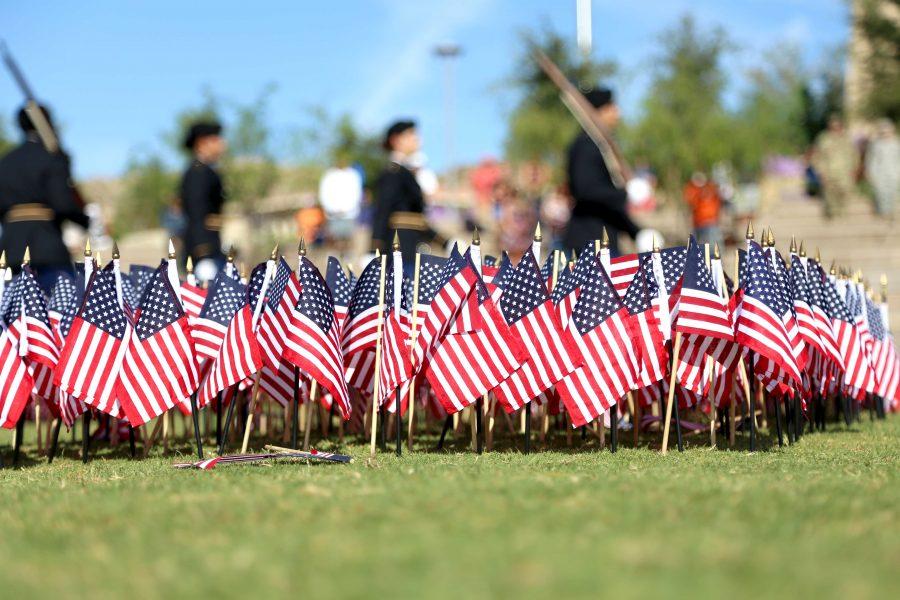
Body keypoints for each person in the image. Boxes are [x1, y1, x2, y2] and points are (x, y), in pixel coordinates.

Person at [0, 104, 88, 291]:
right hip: (48, 249)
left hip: (11, 251)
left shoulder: (5, 162)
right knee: (59, 314)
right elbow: (63, 204)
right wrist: (83, 219)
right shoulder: (51, 158)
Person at [563, 87, 639, 256]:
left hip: (604, 240)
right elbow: (586, 190)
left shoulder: (600, 146)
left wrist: (637, 233)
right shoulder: (585, 146)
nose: (617, 113)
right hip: (589, 244)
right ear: (599, 111)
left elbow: (607, 207)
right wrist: (625, 193)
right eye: (611, 108)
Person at [371, 120, 444, 263]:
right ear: (396, 140)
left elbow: (417, 220)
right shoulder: (393, 172)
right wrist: (374, 248)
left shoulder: (406, 172)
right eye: (411, 134)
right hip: (398, 248)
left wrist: (445, 242)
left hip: (412, 244)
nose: (417, 139)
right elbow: (382, 211)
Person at [180, 121, 227, 279]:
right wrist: (203, 251)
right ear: (202, 143)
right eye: (215, 139)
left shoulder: (207, 171)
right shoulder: (198, 173)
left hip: (213, 246)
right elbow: (197, 212)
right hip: (204, 251)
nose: (221, 144)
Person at [811, 115, 858, 219]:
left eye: (838, 125)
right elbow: (817, 156)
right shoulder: (823, 138)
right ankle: (833, 215)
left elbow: (854, 154)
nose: (835, 127)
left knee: (845, 192)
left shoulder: (847, 138)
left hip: (845, 172)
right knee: (830, 195)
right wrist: (820, 171)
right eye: (833, 125)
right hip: (828, 171)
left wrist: (855, 168)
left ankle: (843, 214)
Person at [865, 119, 899, 218]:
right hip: (879, 173)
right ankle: (884, 214)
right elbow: (871, 160)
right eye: (883, 131)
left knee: (892, 193)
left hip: (894, 172)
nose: (885, 133)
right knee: (880, 193)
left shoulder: (896, 143)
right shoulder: (876, 144)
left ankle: (891, 214)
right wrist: (870, 172)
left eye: (887, 131)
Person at [683, 170, 723, 247]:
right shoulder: (693, 191)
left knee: (712, 246)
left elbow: (719, 199)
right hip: (698, 223)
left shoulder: (712, 189)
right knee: (698, 245)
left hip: (710, 223)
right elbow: (690, 203)